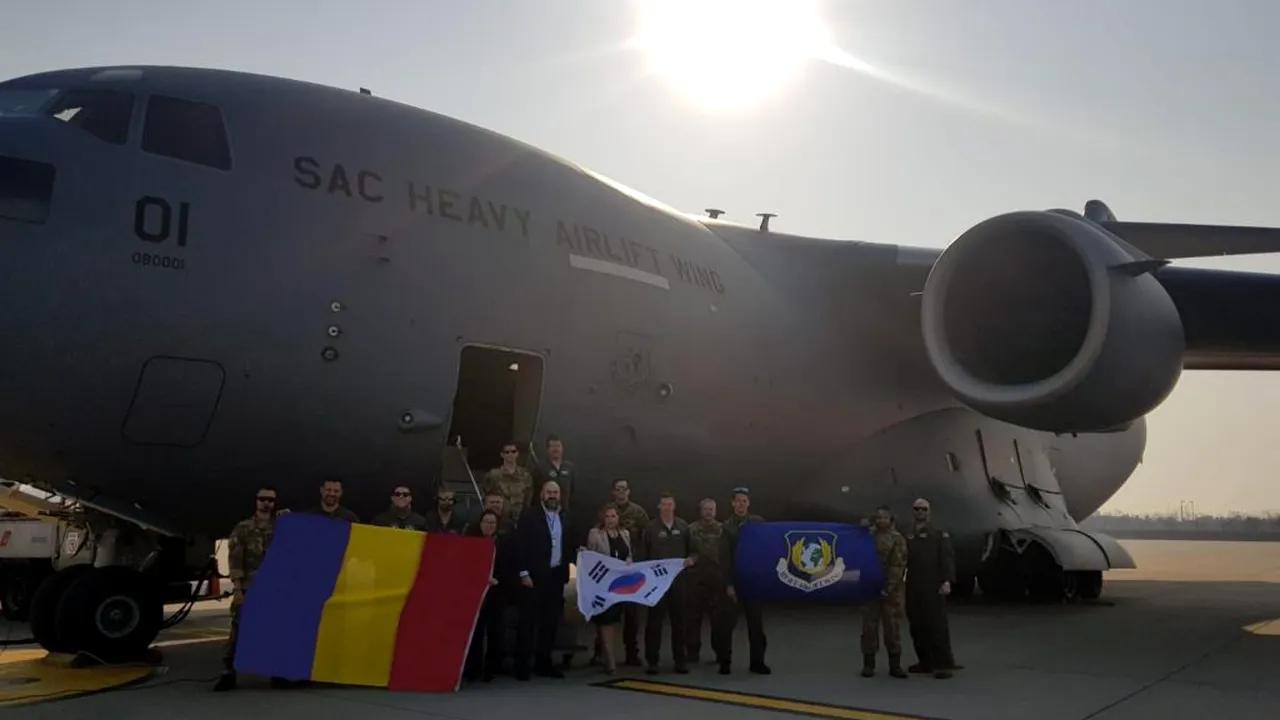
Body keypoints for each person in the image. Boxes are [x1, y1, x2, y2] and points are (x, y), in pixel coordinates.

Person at [214, 486, 280, 692]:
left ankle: (276, 671)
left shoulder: (280, 527)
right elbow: (235, 561)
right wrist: (237, 590)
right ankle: (229, 671)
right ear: (256, 501)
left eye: (270, 500)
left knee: (275, 630)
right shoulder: (243, 528)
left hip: (273, 588)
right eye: (262, 499)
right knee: (239, 629)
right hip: (249, 587)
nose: (266, 503)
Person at [513, 480, 575, 680]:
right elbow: (520, 544)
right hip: (534, 576)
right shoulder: (529, 515)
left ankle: (544, 663)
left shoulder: (565, 516)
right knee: (528, 622)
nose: (552, 496)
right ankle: (521, 665)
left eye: (555, 492)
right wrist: (523, 573)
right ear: (541, 494)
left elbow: (569, 543)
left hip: (555, 576)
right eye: (549, 492)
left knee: (550, 622)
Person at [637, 492, 696, 675]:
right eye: (664, 504)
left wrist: (692, 559)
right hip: (656, 584)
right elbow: (642, 555)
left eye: (670, 504)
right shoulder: (651, 528)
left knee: (680, 622)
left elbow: (694, 551)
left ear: (674, 506)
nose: (667, 507)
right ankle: (652, 661)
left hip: (678, 582)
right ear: (659, 507)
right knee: (654, 623)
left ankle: (680, 660)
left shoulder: (683, 527)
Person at [905, 498, 960, 679]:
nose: (920, 512)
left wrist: (947, 580)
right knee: (917, 626)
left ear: (929, 512)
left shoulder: (938, 534)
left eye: (924, 509)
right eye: (917, 509)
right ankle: (925, 662)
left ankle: (943, 665)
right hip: (913, 586)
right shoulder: (907, 534)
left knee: (936, 626)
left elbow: (947, 558)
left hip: (933, 585)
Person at [723, 487, 771, 674]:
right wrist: (728, 583)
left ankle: (757, 662)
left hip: (753, 581)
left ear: (748, 503)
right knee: (727, 625)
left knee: (756, 626)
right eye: (738, 500)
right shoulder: (726, 527)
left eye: (744, 501)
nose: (741, 504)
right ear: (733, 503)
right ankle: (725, 661)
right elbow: (724, 557)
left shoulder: (758, 523)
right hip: (735, 581)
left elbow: (768, 548)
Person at [686, 498, 735, 674]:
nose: (708, 512)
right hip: (696, 579)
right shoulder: (690, 529)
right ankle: (692, 652)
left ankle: (720, 652)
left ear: (715, 511)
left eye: (711, 509)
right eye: (705, 509)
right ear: (701, 511)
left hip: (717, 580)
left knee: (718, 621)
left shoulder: (724, 531)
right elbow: (686, 551)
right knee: (693, 619)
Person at [464, 510, 511, 682]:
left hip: (496, 592)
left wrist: (497, 579)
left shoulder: (503, 544)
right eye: (486, 522)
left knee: (495, 631)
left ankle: (492, 667)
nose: (489, 525)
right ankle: (472, 667)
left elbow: (507, 566)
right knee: (476, 631)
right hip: (476, 592)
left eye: (493, 523)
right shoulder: (472, 542)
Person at [862, 505, 909, 678]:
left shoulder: (897, 539)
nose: (881, 520)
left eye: (885, 517)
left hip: (890, 591)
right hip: (869, 587)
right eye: (879, 517)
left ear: (891, 520)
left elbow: (898, 565)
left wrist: (887, 587)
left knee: (892, 628)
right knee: (868, 627)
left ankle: (895, 664)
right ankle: (868, 664)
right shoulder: (867, 536)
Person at [586, 503, 633, 675]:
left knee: (613, 622)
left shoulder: (625, 534)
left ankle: (602, 654)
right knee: (606, 622)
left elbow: (628, 555)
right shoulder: (595, 534)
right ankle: (610, 662)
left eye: (613, 516)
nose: (610, 520)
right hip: (602, 584)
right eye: (607, 516)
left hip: (619, 585)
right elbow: (591, 557)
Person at [608, 478, 648, 665]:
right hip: (611, 571)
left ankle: (632, 652)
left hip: (631, 569)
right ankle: (603, 653)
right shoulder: (606, 511)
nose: (621, 492)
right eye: (618, 489)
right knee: (607, 613)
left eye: (624, 489)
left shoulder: (638, 513)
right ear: (613, 492)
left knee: (632, 616)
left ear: (629, 491)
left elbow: (647, 537)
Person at [483, 441, 533, 529]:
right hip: (500, 521)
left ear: (517, 454)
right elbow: (487, 496)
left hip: (519, 520)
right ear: (502, 455)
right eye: (507, 452)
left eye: (513, 451)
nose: (510, 454)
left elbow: (528, 499)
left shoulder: (525, 476)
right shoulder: (493, 475)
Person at [531, 434, 576, 510]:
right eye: (552, 446)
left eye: (558, 446)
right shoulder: (540, 468)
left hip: (564, 511)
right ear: (547, 449)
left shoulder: (570, 468)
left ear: (562, 448)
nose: (556, 449)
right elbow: (535, 493)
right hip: (546, 511)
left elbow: (573, 491)